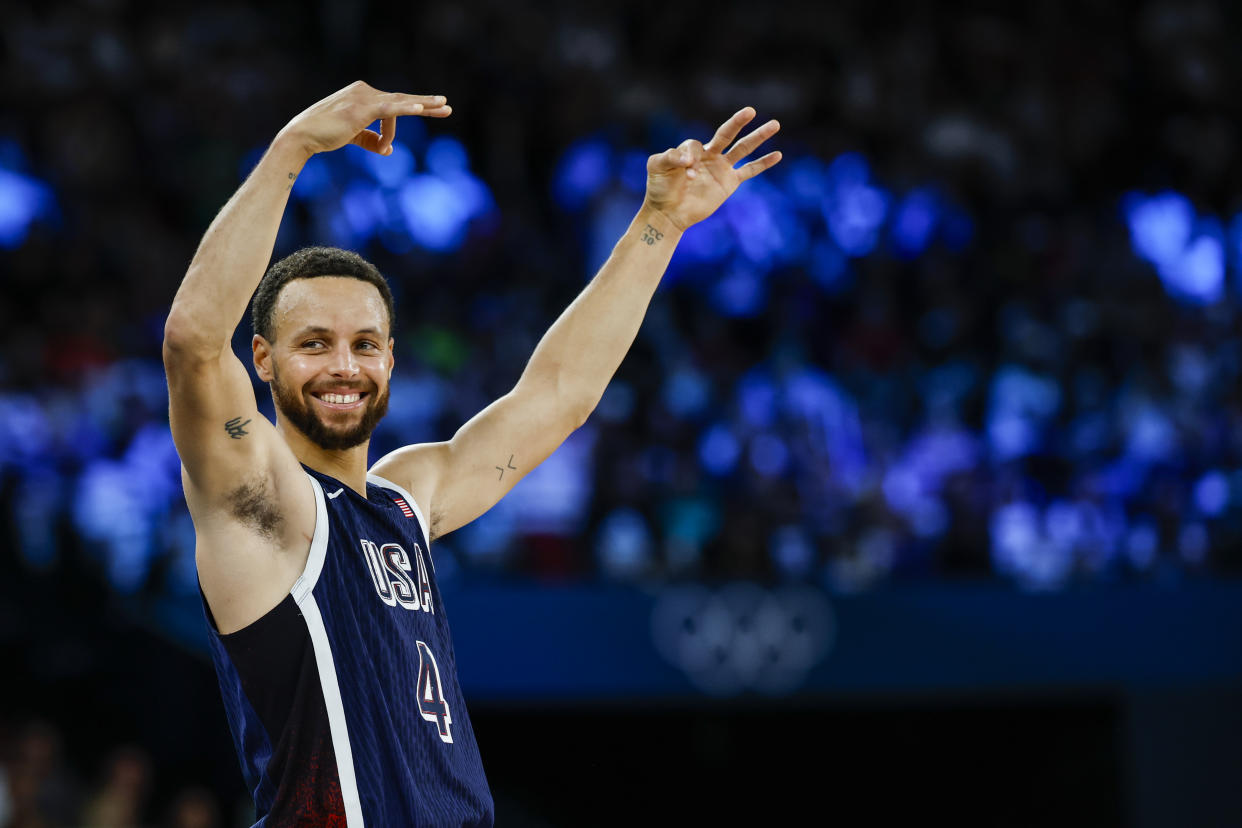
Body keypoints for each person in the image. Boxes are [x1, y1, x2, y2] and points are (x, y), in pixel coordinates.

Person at [162, 80, 780, 826]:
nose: (343, 367)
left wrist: (659, 225)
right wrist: (293, 147)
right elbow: (194, 345)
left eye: (364, 345)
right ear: (261, 359)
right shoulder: (261, 503)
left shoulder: (403, 502)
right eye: (313, 344)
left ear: (391, 359)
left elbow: (558, 395)